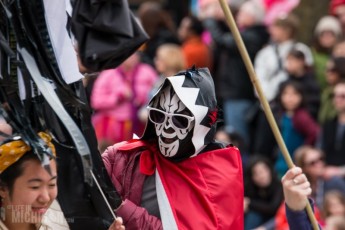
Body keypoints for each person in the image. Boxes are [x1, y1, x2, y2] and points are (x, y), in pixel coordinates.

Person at [102, 67, 244, 229]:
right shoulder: (121, 156)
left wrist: (122, 208)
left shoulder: (220, 171)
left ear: (202, 124)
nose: (166, 127)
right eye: (158, 115)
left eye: (180, 120)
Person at [0, 132, 125, 230]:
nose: (45, 198)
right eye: (35, 186)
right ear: (3, 188)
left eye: (51, 184)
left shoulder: (55, 216)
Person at [273, 80, 320, 177]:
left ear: (301, 97)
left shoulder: (301, 116)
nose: (290, 98)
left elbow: (315, 132)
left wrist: (304, 151)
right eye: (286, 94)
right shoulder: (283, 115)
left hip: (294, 164)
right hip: (282, 162)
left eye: (294, 94)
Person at [244, 155, 283, 230]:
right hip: (258, 220)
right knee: (253, 215)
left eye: (263, 171)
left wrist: (250, 203)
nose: (261, 176)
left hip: (275, 220)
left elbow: (273, 208)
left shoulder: (278, 185)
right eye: (256, 173)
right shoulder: (251, 188)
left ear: (270, 170)